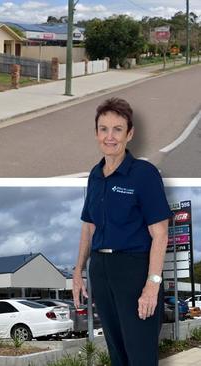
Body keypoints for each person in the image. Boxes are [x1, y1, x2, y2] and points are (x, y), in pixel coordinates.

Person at [72, 98, 171, 366]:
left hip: (134, 269)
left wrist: (152, 285)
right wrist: (78, 271)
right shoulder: (95, 175)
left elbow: (160, 234)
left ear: (130, 134)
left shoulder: (144, 174)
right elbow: (88, 225)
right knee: (117, 353)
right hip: (101, 270)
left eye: (117, 129)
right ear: (96, 134)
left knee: (140, 354)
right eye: (103, 129)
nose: (110, 136)